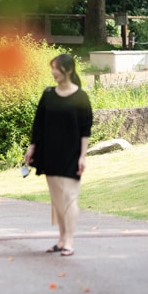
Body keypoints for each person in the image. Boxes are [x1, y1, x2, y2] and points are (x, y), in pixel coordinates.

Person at [23, 53, 93, 256]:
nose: (53, 72)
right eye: (52, 68)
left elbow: (85, 129)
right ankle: (61, 239)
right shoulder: (48, 94)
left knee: (69, 197)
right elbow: (38, 123)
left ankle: (69, 240)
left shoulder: (81, 97)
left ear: (68, 70)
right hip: (50, 153)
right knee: (57, 199)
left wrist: (82, 156)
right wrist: (32, 147)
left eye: (56, 68)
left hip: (72, 154)